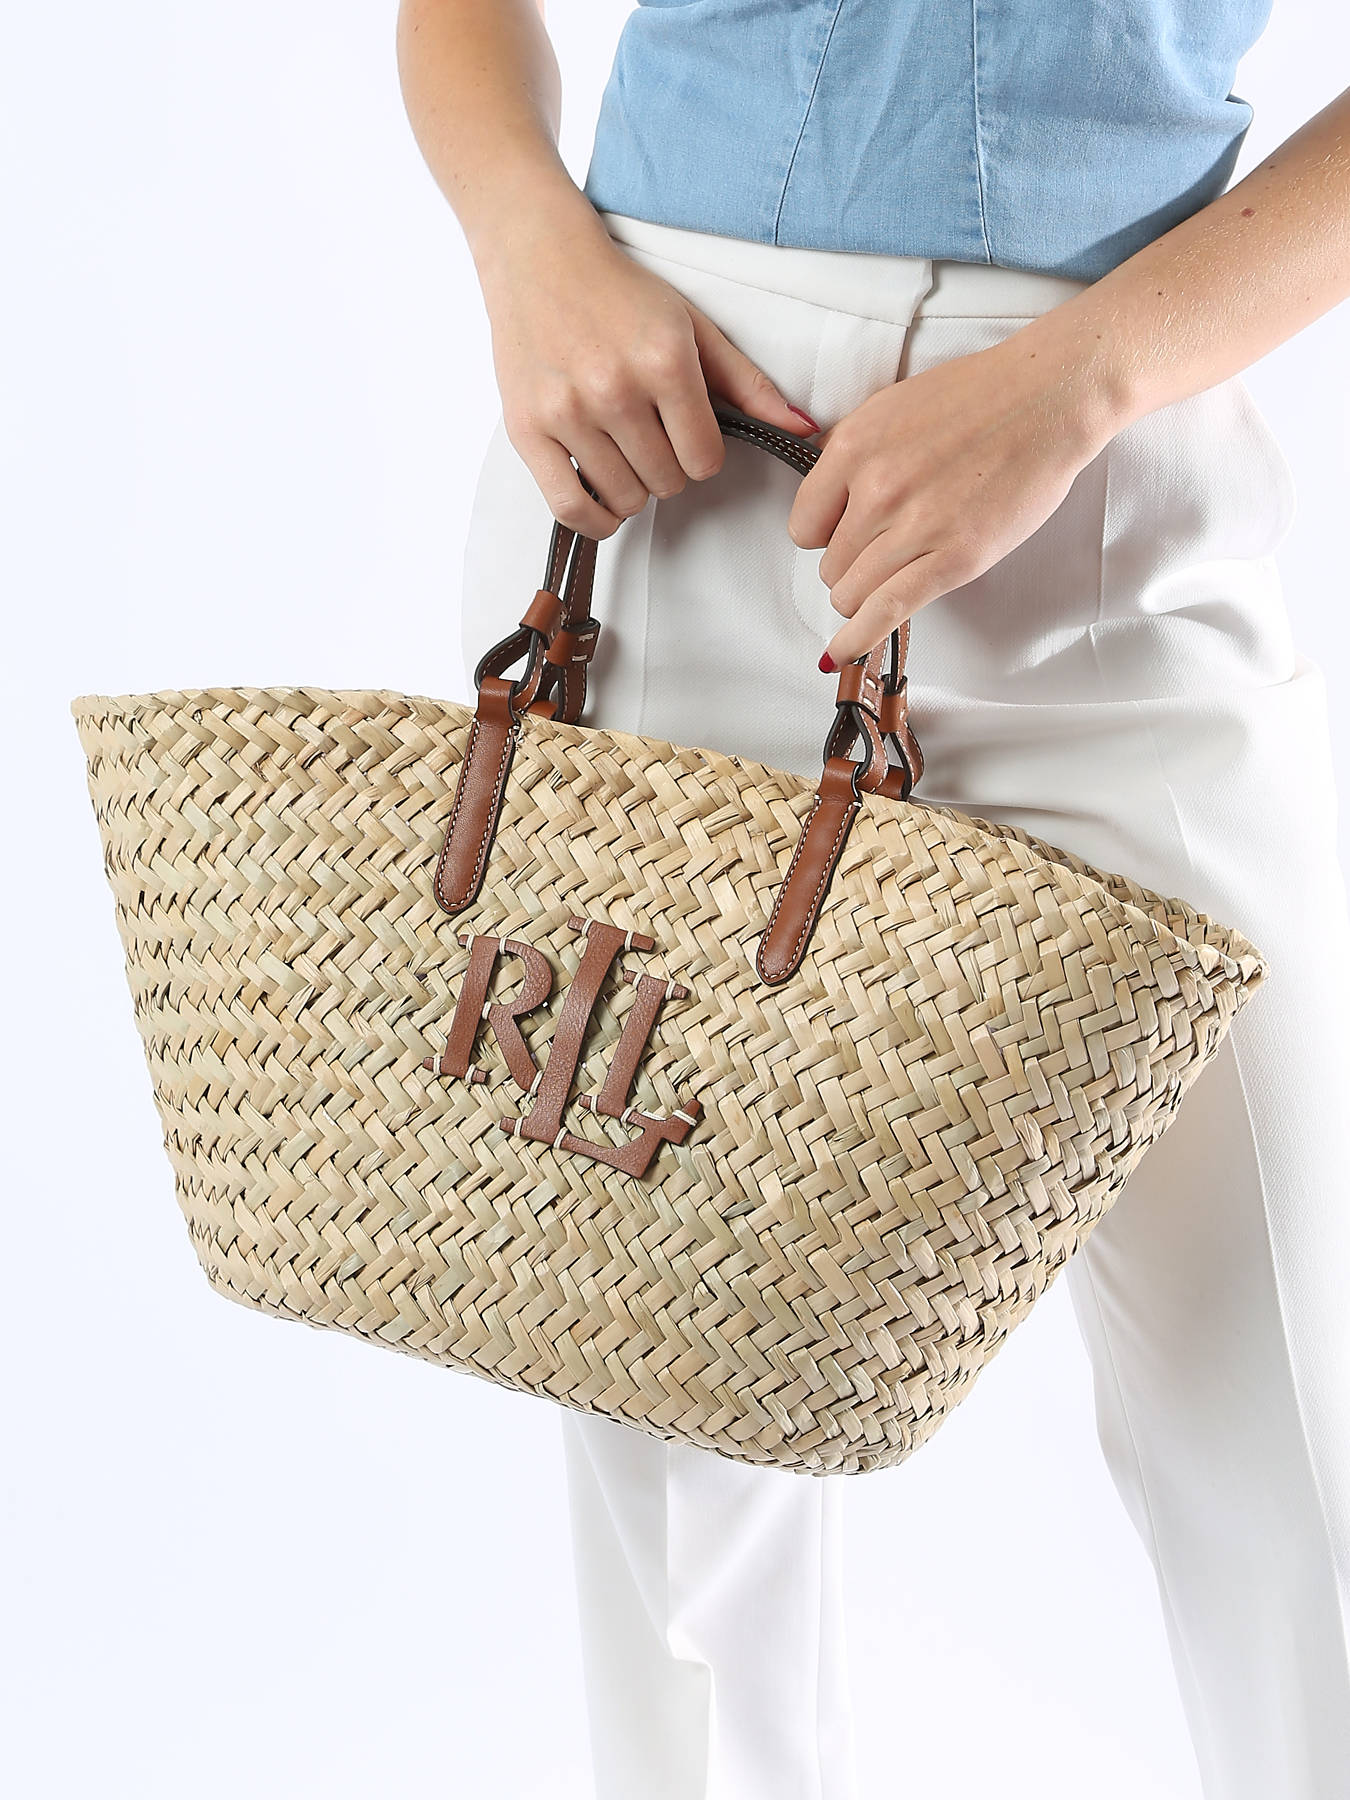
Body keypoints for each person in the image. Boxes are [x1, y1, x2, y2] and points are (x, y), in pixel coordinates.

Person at [394, 4, 1350, 1795]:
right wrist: (526, 245)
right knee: (671, 1446)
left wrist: (1081, 379)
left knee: (1302, 1413)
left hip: (1100, 496)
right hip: (662, 456)